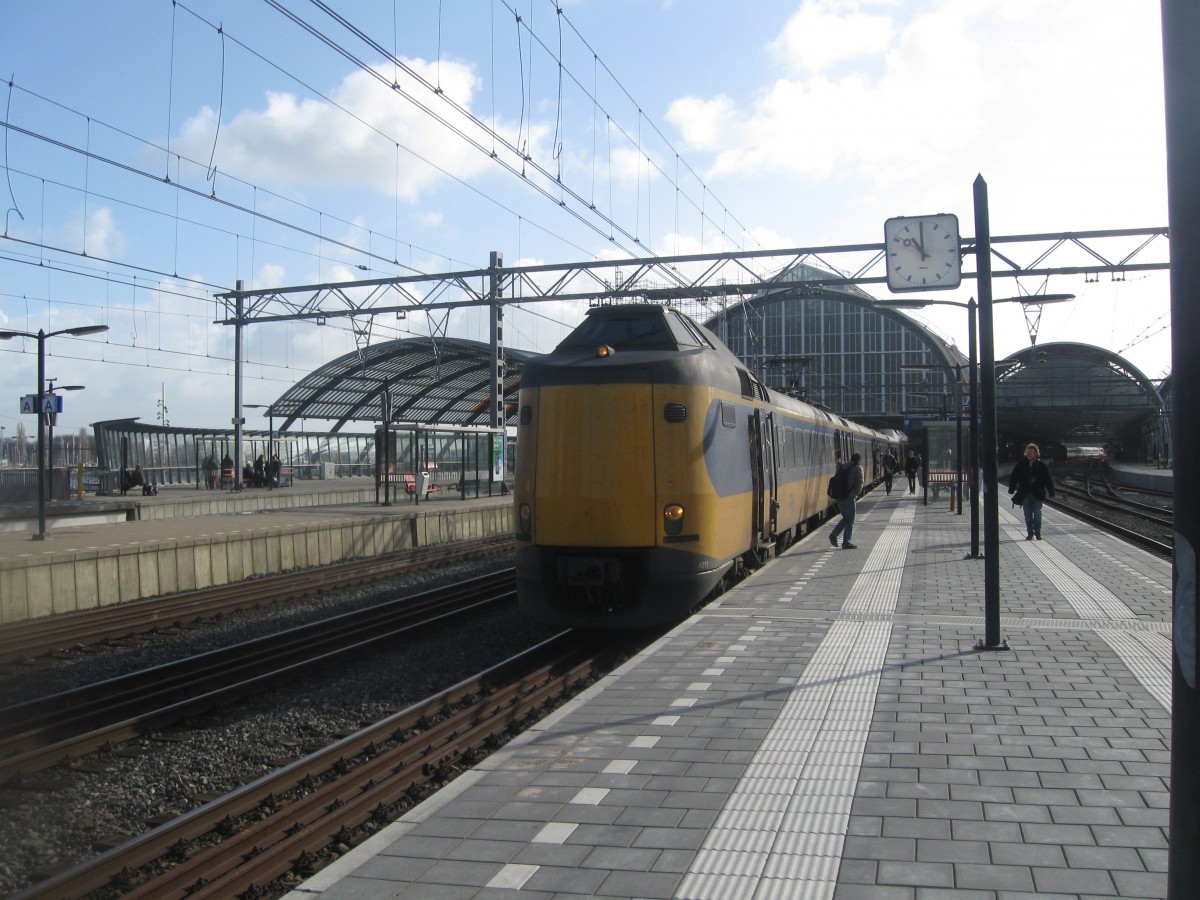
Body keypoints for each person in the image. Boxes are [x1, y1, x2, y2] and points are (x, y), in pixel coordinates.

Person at [1008, 442, 1055, 540]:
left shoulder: (1041, 465)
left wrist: (1051, 491)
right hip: (1025, 493)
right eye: (1028, 452)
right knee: (1027, 515)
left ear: (1036, 453)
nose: (1029, 454)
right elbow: (1014, 477)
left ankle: (1038, 533)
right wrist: (1011, 489)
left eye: (1031, 452)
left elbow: (1048, 479)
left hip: (1037, 493)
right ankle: (1030, 533)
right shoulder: (1021, 465)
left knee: (1037, 513)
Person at [829, 452, 865, 550]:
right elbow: (860, 483)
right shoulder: (858, 468)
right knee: (850, 520)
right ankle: (845, 542)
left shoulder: (843, 467)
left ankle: (834, 535)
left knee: (846, 518)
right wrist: (855, 494)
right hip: (849, 496)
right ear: (858, 460)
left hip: (839, 497)